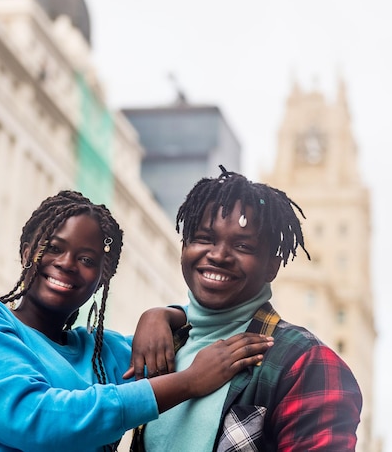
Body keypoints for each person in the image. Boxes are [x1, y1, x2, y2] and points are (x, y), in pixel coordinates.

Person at [0, 189, 274, 452]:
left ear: (102, 277)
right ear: (28, 250)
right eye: (53, 248)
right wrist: (189, 382)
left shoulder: (106, 354)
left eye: (87, 260)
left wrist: (161, 315)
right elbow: (34, 418)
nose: (66, 264)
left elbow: (203, 324)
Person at [132, 165, 363, 452]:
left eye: (242, 246)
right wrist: (159, 314)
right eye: (204, 239)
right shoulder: (163, 344)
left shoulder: (306, 362)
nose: (218, 255)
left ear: (271, 267)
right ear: (183, 249)